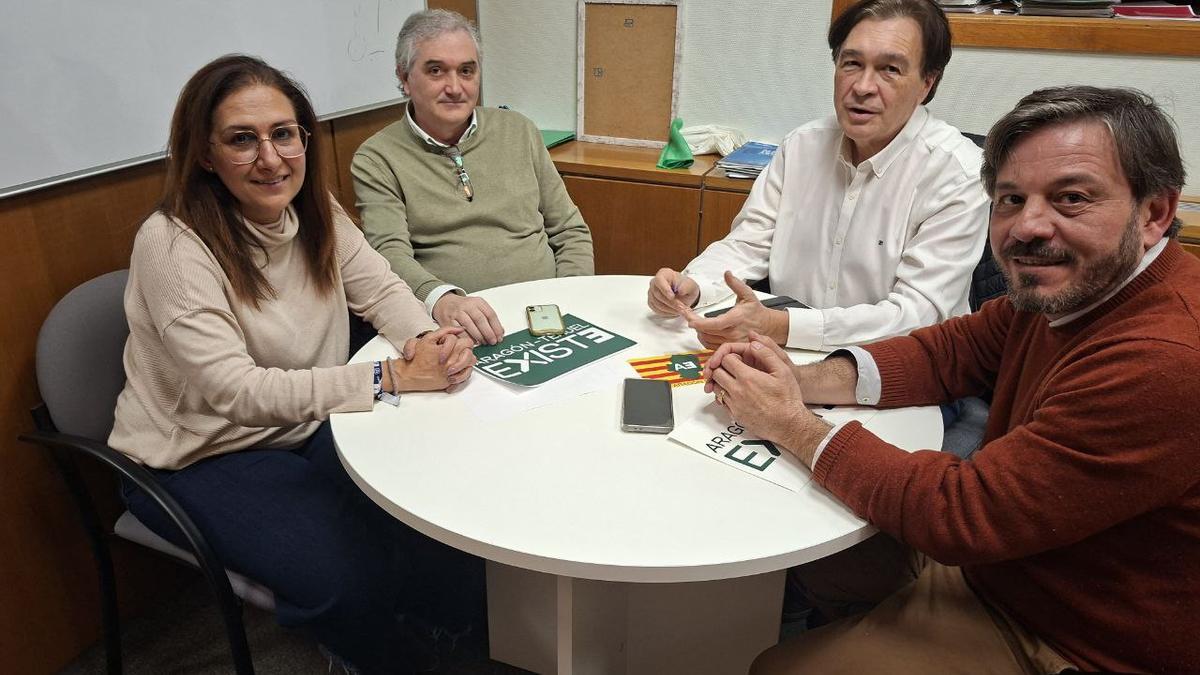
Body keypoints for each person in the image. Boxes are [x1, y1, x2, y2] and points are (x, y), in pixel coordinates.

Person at [703, 86, 1199, 674]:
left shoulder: (1165, 359)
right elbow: (950, 351)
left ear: (1155, 213)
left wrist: (791, 423)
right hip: (1014, 563)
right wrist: (802, 379)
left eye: (1071, 198)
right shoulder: (1074, 286)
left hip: (1070, 638)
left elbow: (965, 514)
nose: (1027, 227)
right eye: (1011, 199)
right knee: (812, 550)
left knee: (775, 668)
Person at [109, 54, 481, 673]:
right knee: (345, 571)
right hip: (199, 455)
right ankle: (373, 652)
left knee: (439, 500)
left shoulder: (313, 209)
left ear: (303, 137)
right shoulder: (171, 245)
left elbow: (381, 290)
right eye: (241, 140)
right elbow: (236, 393)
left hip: (306, 424)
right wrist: (388, 376)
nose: (271, 158)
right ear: (204, 152)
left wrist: (426, 339)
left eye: (283, 134)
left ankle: (444, 633)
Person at [648, 0, 989, 351]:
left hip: (896, 370)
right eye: (852, 64)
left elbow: (916, 316)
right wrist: (695, 285)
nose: (862, 87)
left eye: (889, 69)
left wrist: (783, 326)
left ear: (926, 84)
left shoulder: (958, 173)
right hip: (786, 354)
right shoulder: (801, 147)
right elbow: (749, 242)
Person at [353, 9, 594, 346]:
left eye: (467, 71)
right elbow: (388, 255)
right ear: (404, 78)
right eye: (436, 70)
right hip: (459, 325)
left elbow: (570, 230)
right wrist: (441, 299)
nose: (455, 87)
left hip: (546, 314)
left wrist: (570, 296)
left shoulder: (519, 130)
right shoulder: (376, 157)